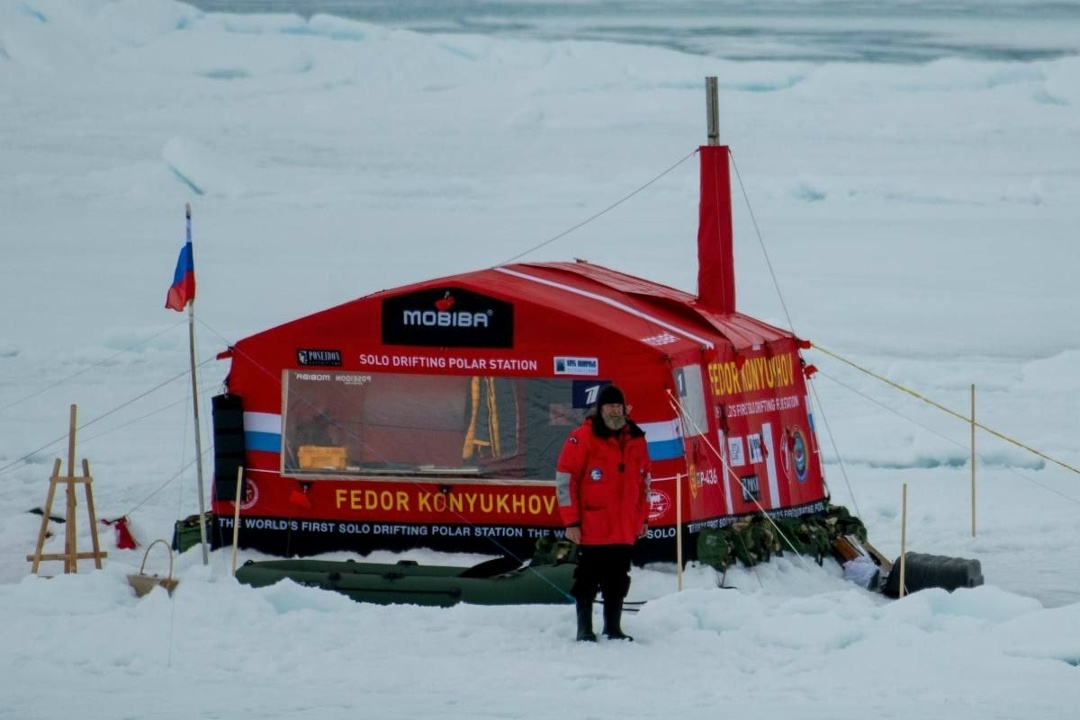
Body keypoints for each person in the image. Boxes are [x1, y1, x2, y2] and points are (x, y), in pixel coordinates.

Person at [555, 384, 651, 642]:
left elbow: (644, 481)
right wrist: (571, 521)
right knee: (587, 578)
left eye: (619, 406)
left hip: (624, 527)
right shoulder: (582, 437)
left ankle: (613, 627)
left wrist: (643, 517)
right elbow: (566, 480)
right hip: (593, 525)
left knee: (618, 579)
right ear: (600, 409)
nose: (615, 411)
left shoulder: (636, 438)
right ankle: (584, 628)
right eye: (610, 406)